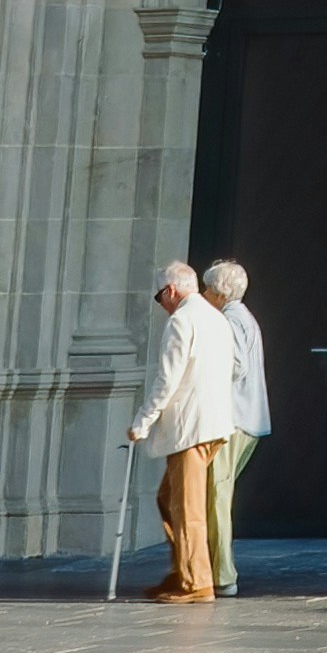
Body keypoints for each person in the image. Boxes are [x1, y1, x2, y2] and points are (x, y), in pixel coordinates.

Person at [127, 259, 236, 606]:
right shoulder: (216, 318)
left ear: (171, 290)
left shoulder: (182, 320)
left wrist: (143, 421)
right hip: (213, 423)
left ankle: (196, 582)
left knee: (186, 506)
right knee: (168, 497)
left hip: (192, 427)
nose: (160, 303)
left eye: (159, 296)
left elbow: (167, 379)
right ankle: (182, 571)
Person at [200, 255, 268, 592]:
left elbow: (236, 365)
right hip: (247, 418)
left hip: (233, 419)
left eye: (207, 288)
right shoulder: (243, 318)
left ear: (219, 292)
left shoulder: (228, 320)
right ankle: (217, 571)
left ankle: (222, 575)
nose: (204, 295)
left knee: (216, 495)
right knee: (217, 494)